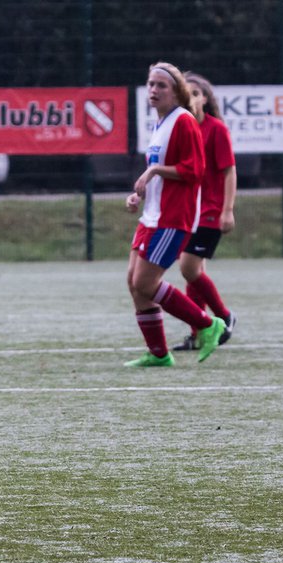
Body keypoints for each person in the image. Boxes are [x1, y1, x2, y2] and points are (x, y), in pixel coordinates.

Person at [122, 62, 226, 367]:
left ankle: (208, 325)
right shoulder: (161, 123)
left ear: (176, 91)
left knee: (144, 284)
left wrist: (153, 170)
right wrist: (139, 193)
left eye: (161, 86)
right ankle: (158, 354)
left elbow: (195, 171)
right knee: (134, 282)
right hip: (152, 216)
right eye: (151, 84)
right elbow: (162, 174)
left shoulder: (183, 121)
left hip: (172, 218)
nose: (153, 90)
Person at [173, 71, 237, 352]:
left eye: (196, 93)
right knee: (193, 272)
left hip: (210, 210)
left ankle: (223, 316)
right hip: (186, 211)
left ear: (206, 100)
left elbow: (229, 171)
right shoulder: (180, 128)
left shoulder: (216, 129)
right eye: (187, 93)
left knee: (188, 267)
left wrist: (227, 210)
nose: (191, 98)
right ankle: (199, 334)